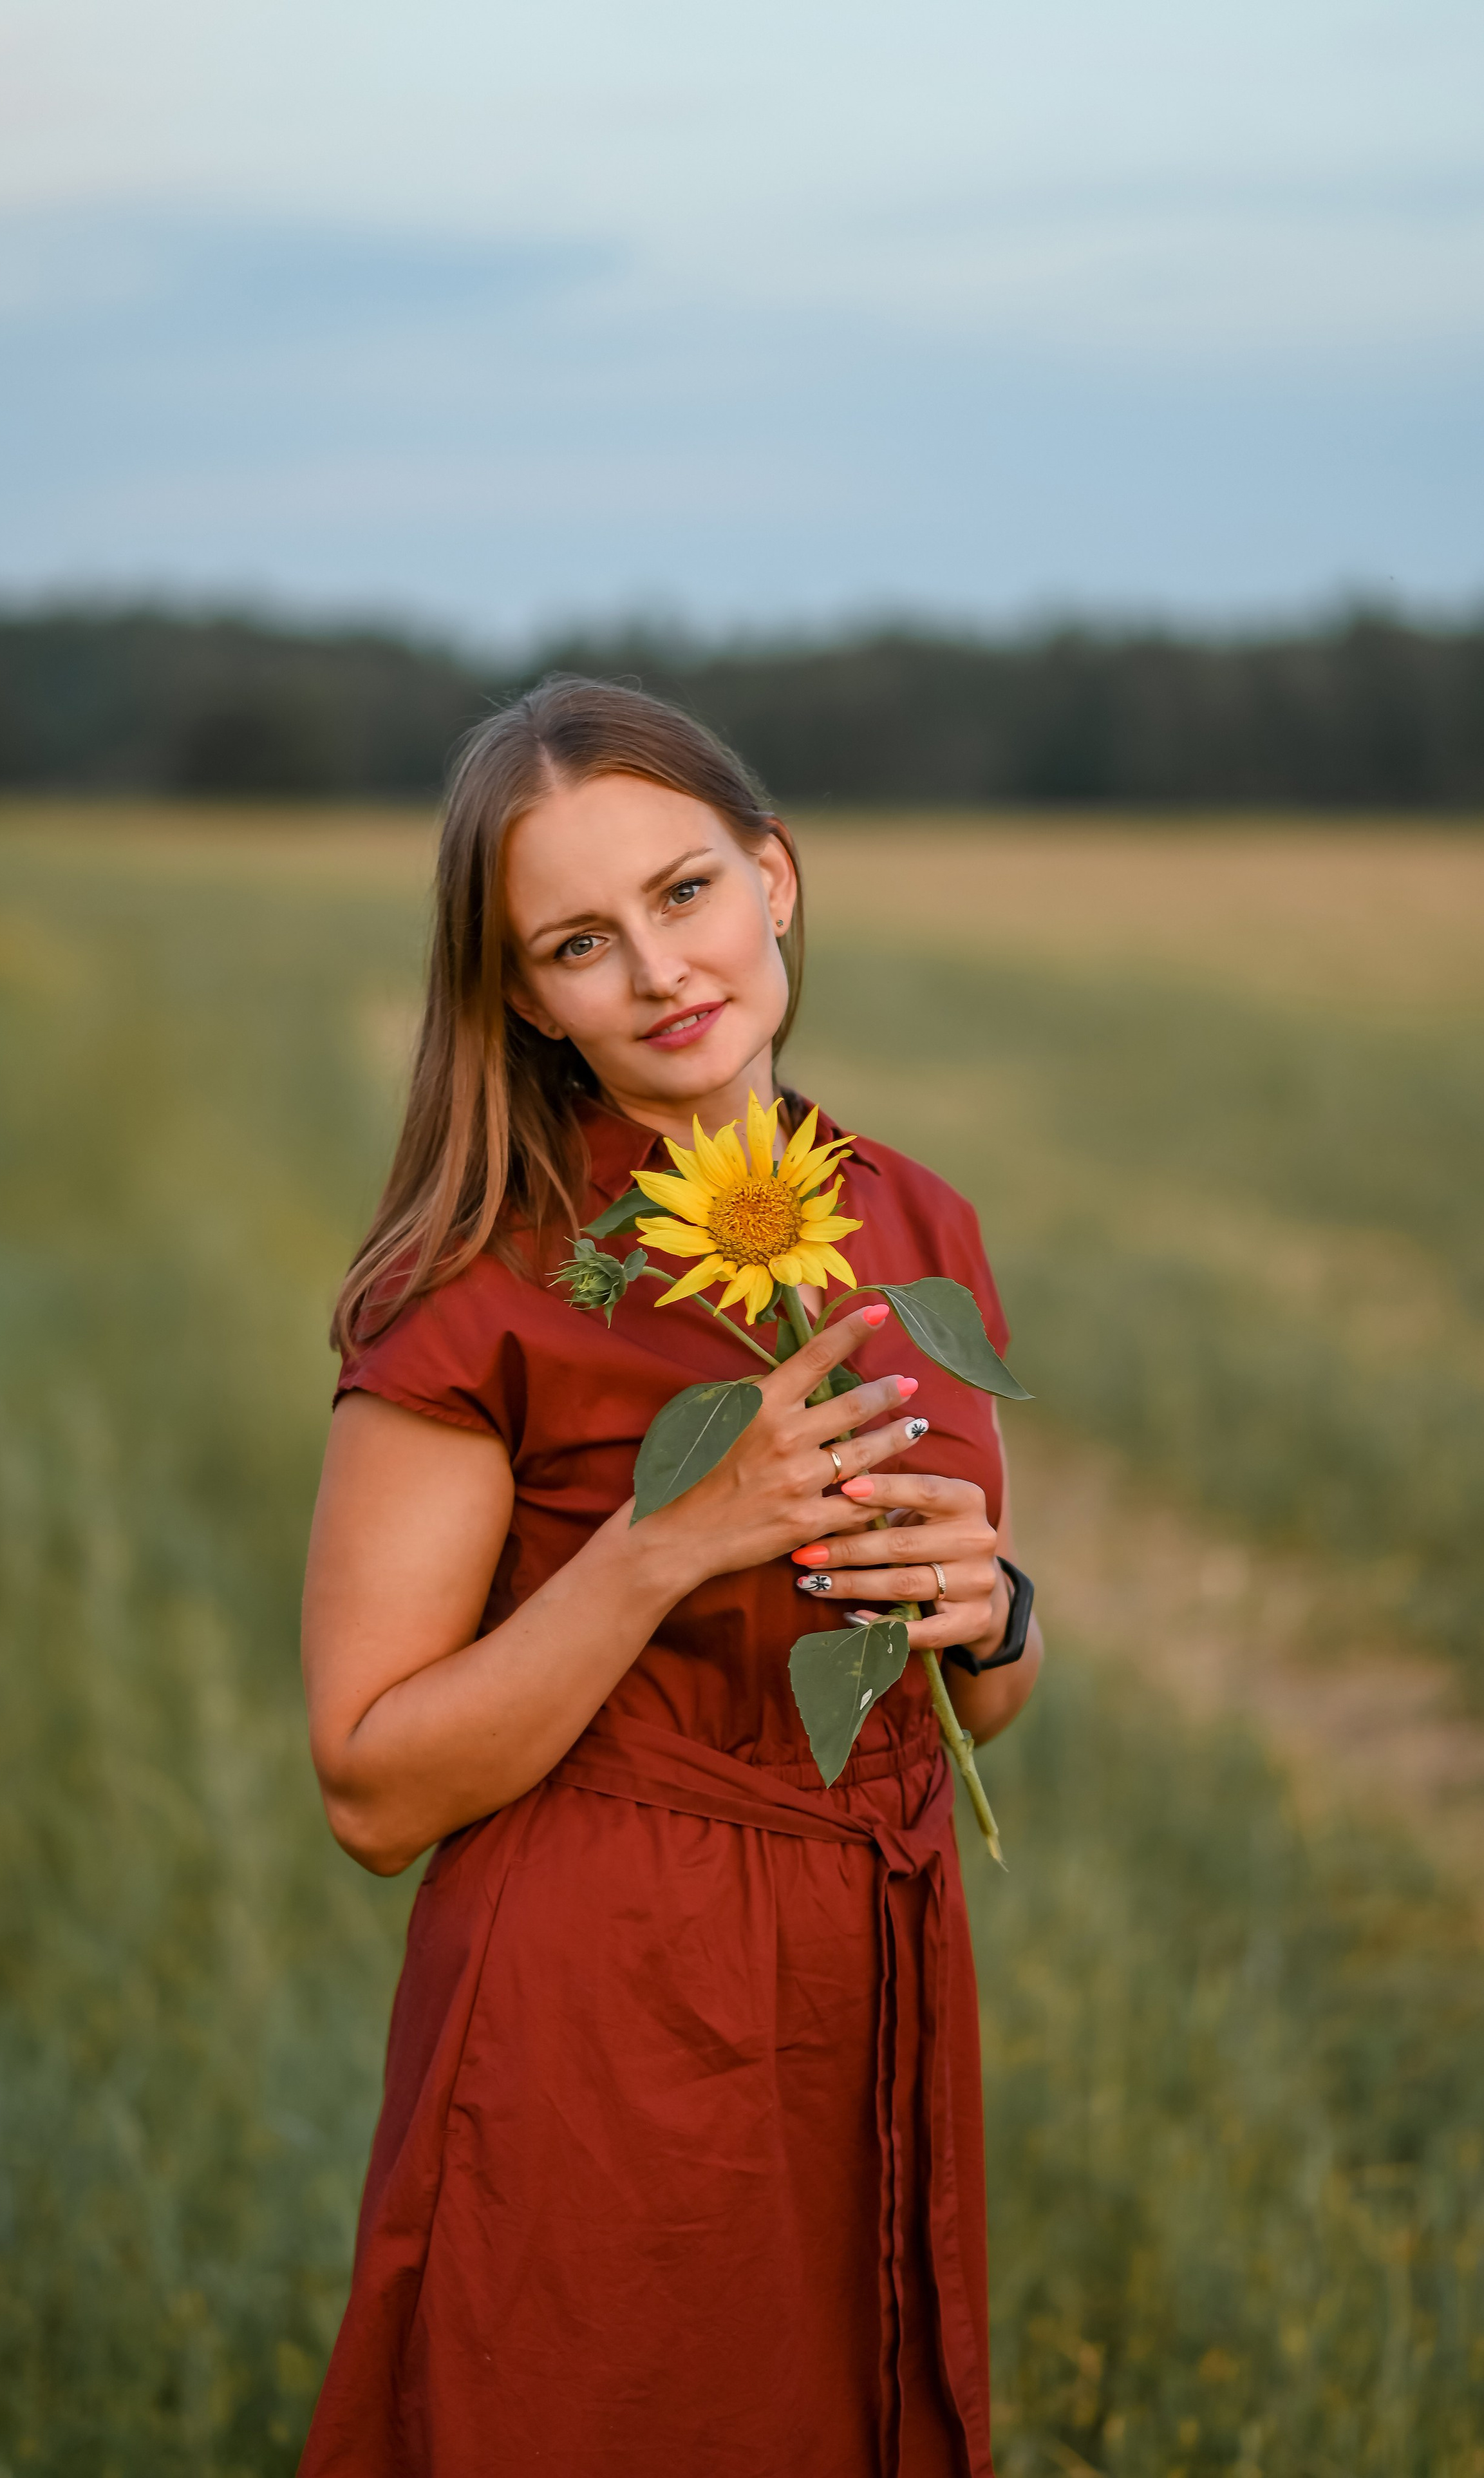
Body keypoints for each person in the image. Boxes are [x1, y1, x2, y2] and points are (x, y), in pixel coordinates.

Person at [297, 676, 1043, 2478]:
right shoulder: (474, 1285)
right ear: (525, 1001)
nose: (657, 969)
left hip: (869, 1958)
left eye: (685, 893)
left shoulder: (917, 1226)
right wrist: (670, 1539)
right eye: (579, 940)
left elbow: (985, 1697)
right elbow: (374, 1788)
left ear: (774, 878)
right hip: (602, 1996)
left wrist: (998, 1611)